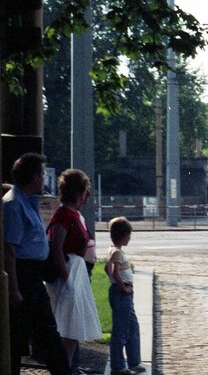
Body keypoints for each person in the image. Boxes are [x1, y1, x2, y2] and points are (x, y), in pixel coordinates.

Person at [4, 152, 70, 375]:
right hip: (23, 276)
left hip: (33, 275)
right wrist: (13, 289)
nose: (44, 178)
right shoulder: (14, 205)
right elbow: (9, 250)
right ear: (33, 177)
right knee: (20, 334)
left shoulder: (28, 202)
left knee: (46, 331)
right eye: (41, 174)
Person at [45, 169, 102, 368]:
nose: (87, 197)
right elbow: (57, 248)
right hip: (67, 274)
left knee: (73, 328)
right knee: (66, 326)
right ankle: (63, 367)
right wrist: (68, 278)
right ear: (78, 192)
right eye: (86, 192)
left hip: (76, 272)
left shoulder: (74, 214)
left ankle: (67, 367)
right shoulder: (63, 215)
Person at [105, 217, 144, 375]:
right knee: (121, 330)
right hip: (122, 293)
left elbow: (107, 270)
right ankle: (118, 365)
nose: (130, 238)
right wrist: (122, 286)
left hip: (124, 292)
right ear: (123, 235)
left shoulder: (114, 251)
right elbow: (114, 272)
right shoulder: (116, 252)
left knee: (132, 327)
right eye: (129, 235)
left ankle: (134, 361)